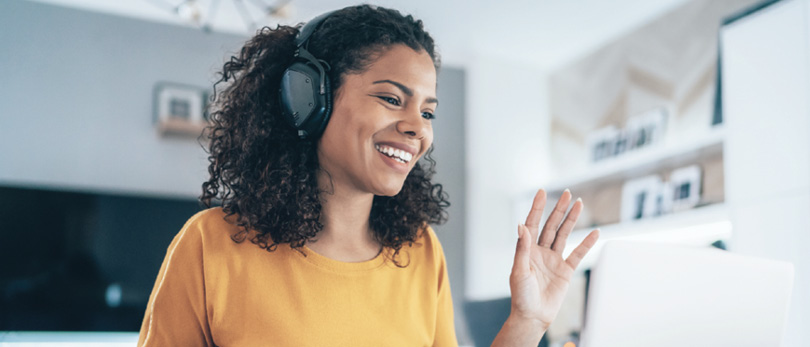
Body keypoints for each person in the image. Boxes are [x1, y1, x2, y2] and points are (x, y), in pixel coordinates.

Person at [137, 5, 599, 346]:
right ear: (309, 97)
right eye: (392, 99)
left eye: (429, 111)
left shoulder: (419, 251)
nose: (418, 128)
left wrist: (527, 321)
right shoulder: (211, 246)